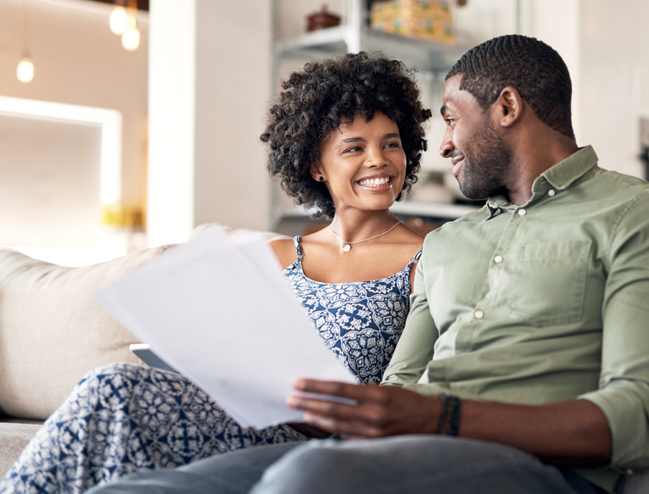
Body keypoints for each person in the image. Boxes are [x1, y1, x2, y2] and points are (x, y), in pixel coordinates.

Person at [85, 34, 649, 494]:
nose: (440, 145)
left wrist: (438, 416)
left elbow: (640, 418)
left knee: (309, 479)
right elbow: (398, 393)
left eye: (450, 119)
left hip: (540, 472)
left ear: (507, 108)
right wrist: (313, 401)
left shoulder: (637, 214)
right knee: (142, 489)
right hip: (400, 455)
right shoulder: (449, 243)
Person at [0, 52, 431, 494]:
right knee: (113, 405)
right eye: (354, 147)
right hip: (241, 420)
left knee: (114, 387)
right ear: (315, 165)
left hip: (322, 443)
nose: (378, 160)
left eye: (391, 143)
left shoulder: (425, 257)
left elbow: (412, 388)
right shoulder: (275, 255)